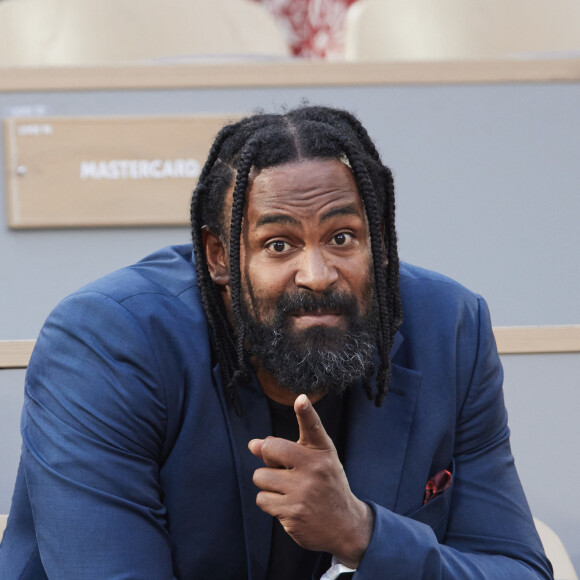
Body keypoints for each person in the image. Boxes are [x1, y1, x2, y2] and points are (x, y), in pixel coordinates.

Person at [0, 106, 552, 579]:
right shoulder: (107, 344)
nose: (317, 274)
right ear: (218, 257)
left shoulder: (447, 329)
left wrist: (363, 532)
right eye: (279, 244)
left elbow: (515, 568)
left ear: (379, 241)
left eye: (341, 238)